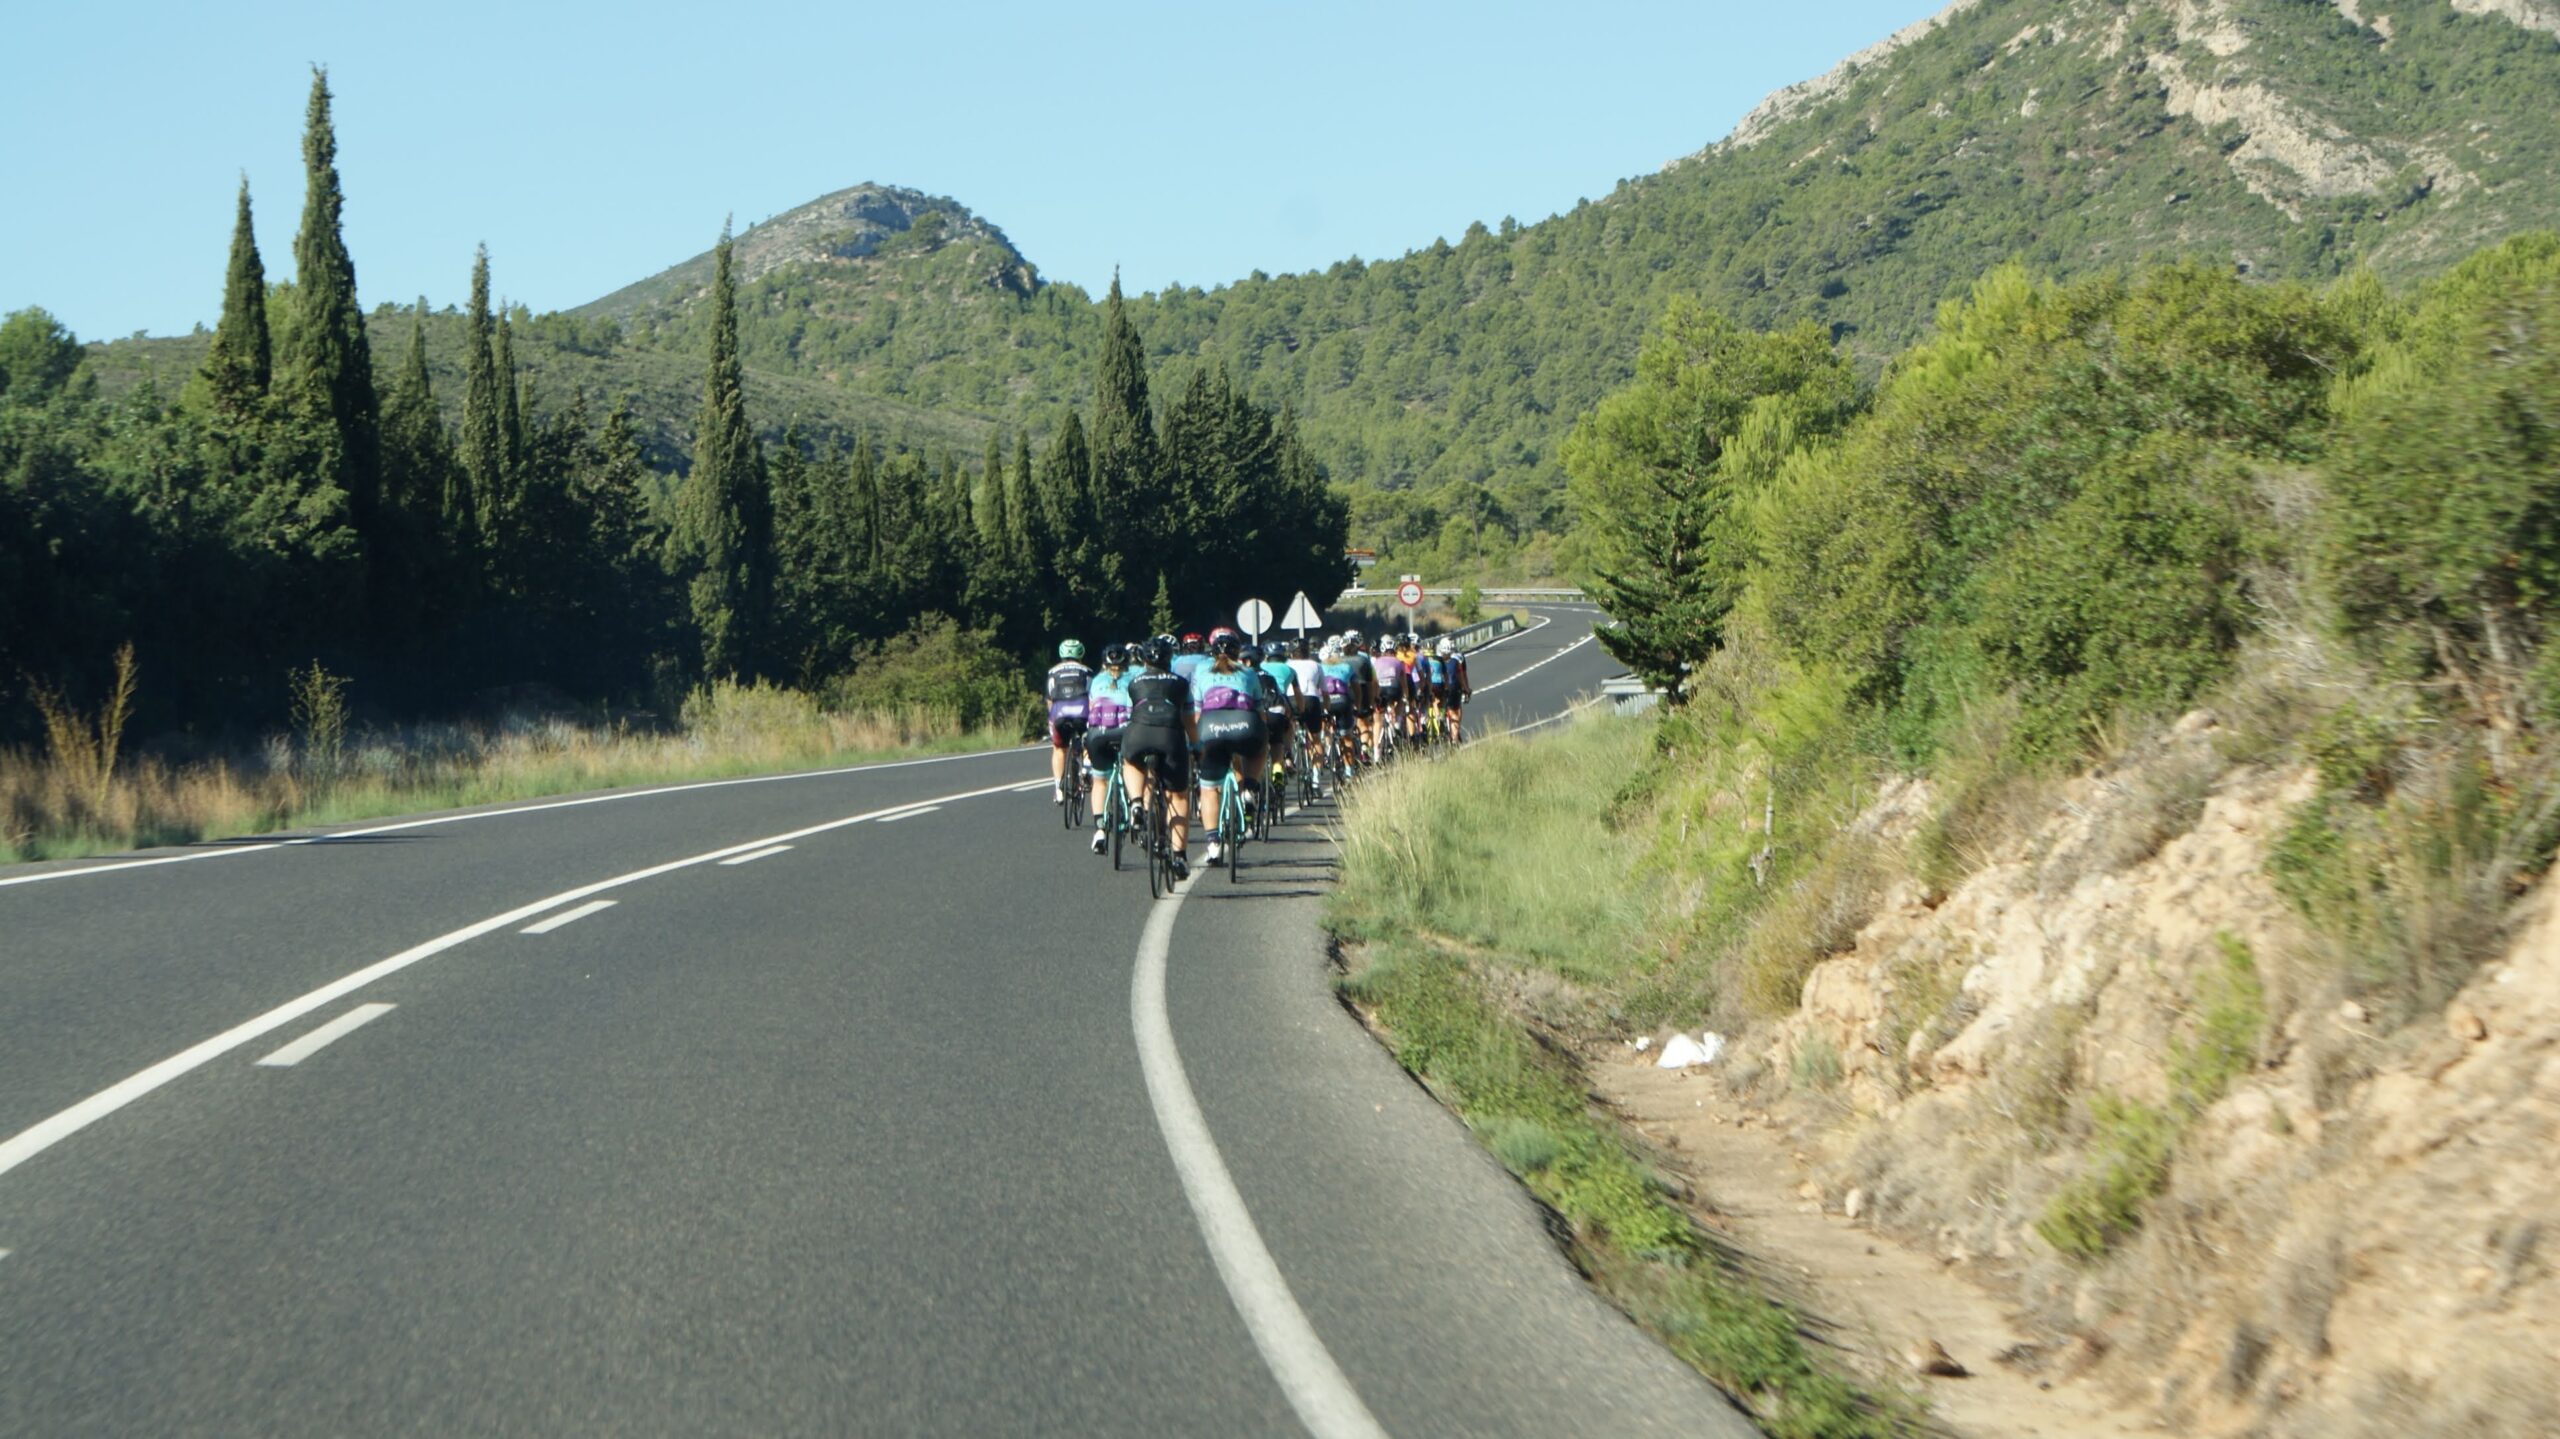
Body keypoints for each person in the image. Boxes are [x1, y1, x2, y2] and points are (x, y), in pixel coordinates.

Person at [1121, 638, 1198, 880]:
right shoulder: (1182, 683)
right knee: (1178, 795)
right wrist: (1196, 745)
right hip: (1170, 735)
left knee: (1131, 761)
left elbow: (1127, 715)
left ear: (1144, 660)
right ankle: (1179, 855)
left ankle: (1135, 802)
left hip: (1138, 732)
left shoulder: (1133, 682)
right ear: (1170, 660)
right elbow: (1189, 720)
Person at [1193, 634, 1264, 867]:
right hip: (1244, 725)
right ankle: (1249, 788)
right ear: (1238, 653)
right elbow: (1260, 712)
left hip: (1211, 728)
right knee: (1258, 747)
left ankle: (1213, 844)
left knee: (1210, 788)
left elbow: (1196, 715)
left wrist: (1197, 744)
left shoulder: (1201, 674)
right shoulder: (1249, 674)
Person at [1082, 644, 1134, 854]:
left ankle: (1100, 829)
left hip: (1098, 733)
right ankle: (1136, 807)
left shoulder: (1096, 681)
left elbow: (1091, 707)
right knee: (1134, 769)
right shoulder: (1132, 679)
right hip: (1125, 731)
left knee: (1100, 780)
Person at [1045, 640, 1093, 803]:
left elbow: (1050, 698)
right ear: (1081, 653)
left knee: (1059, 748)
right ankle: (1086, 767)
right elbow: (1091, 697)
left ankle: (1058, 788)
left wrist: (1051, 720)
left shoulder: (1053, 672)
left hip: (1059, 712)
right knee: (1088, 740)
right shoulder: (1087, 671)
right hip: (1081, 712)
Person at [1433, 636, 1472, 742]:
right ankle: (1454, 738)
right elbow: (1462, 675)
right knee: (1456, 711)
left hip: (1438, 685)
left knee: (1437, 702)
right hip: (1454, 686)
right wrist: (1466, 688)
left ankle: (1439, 718)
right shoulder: (1458, 658)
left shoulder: (1435, 658)